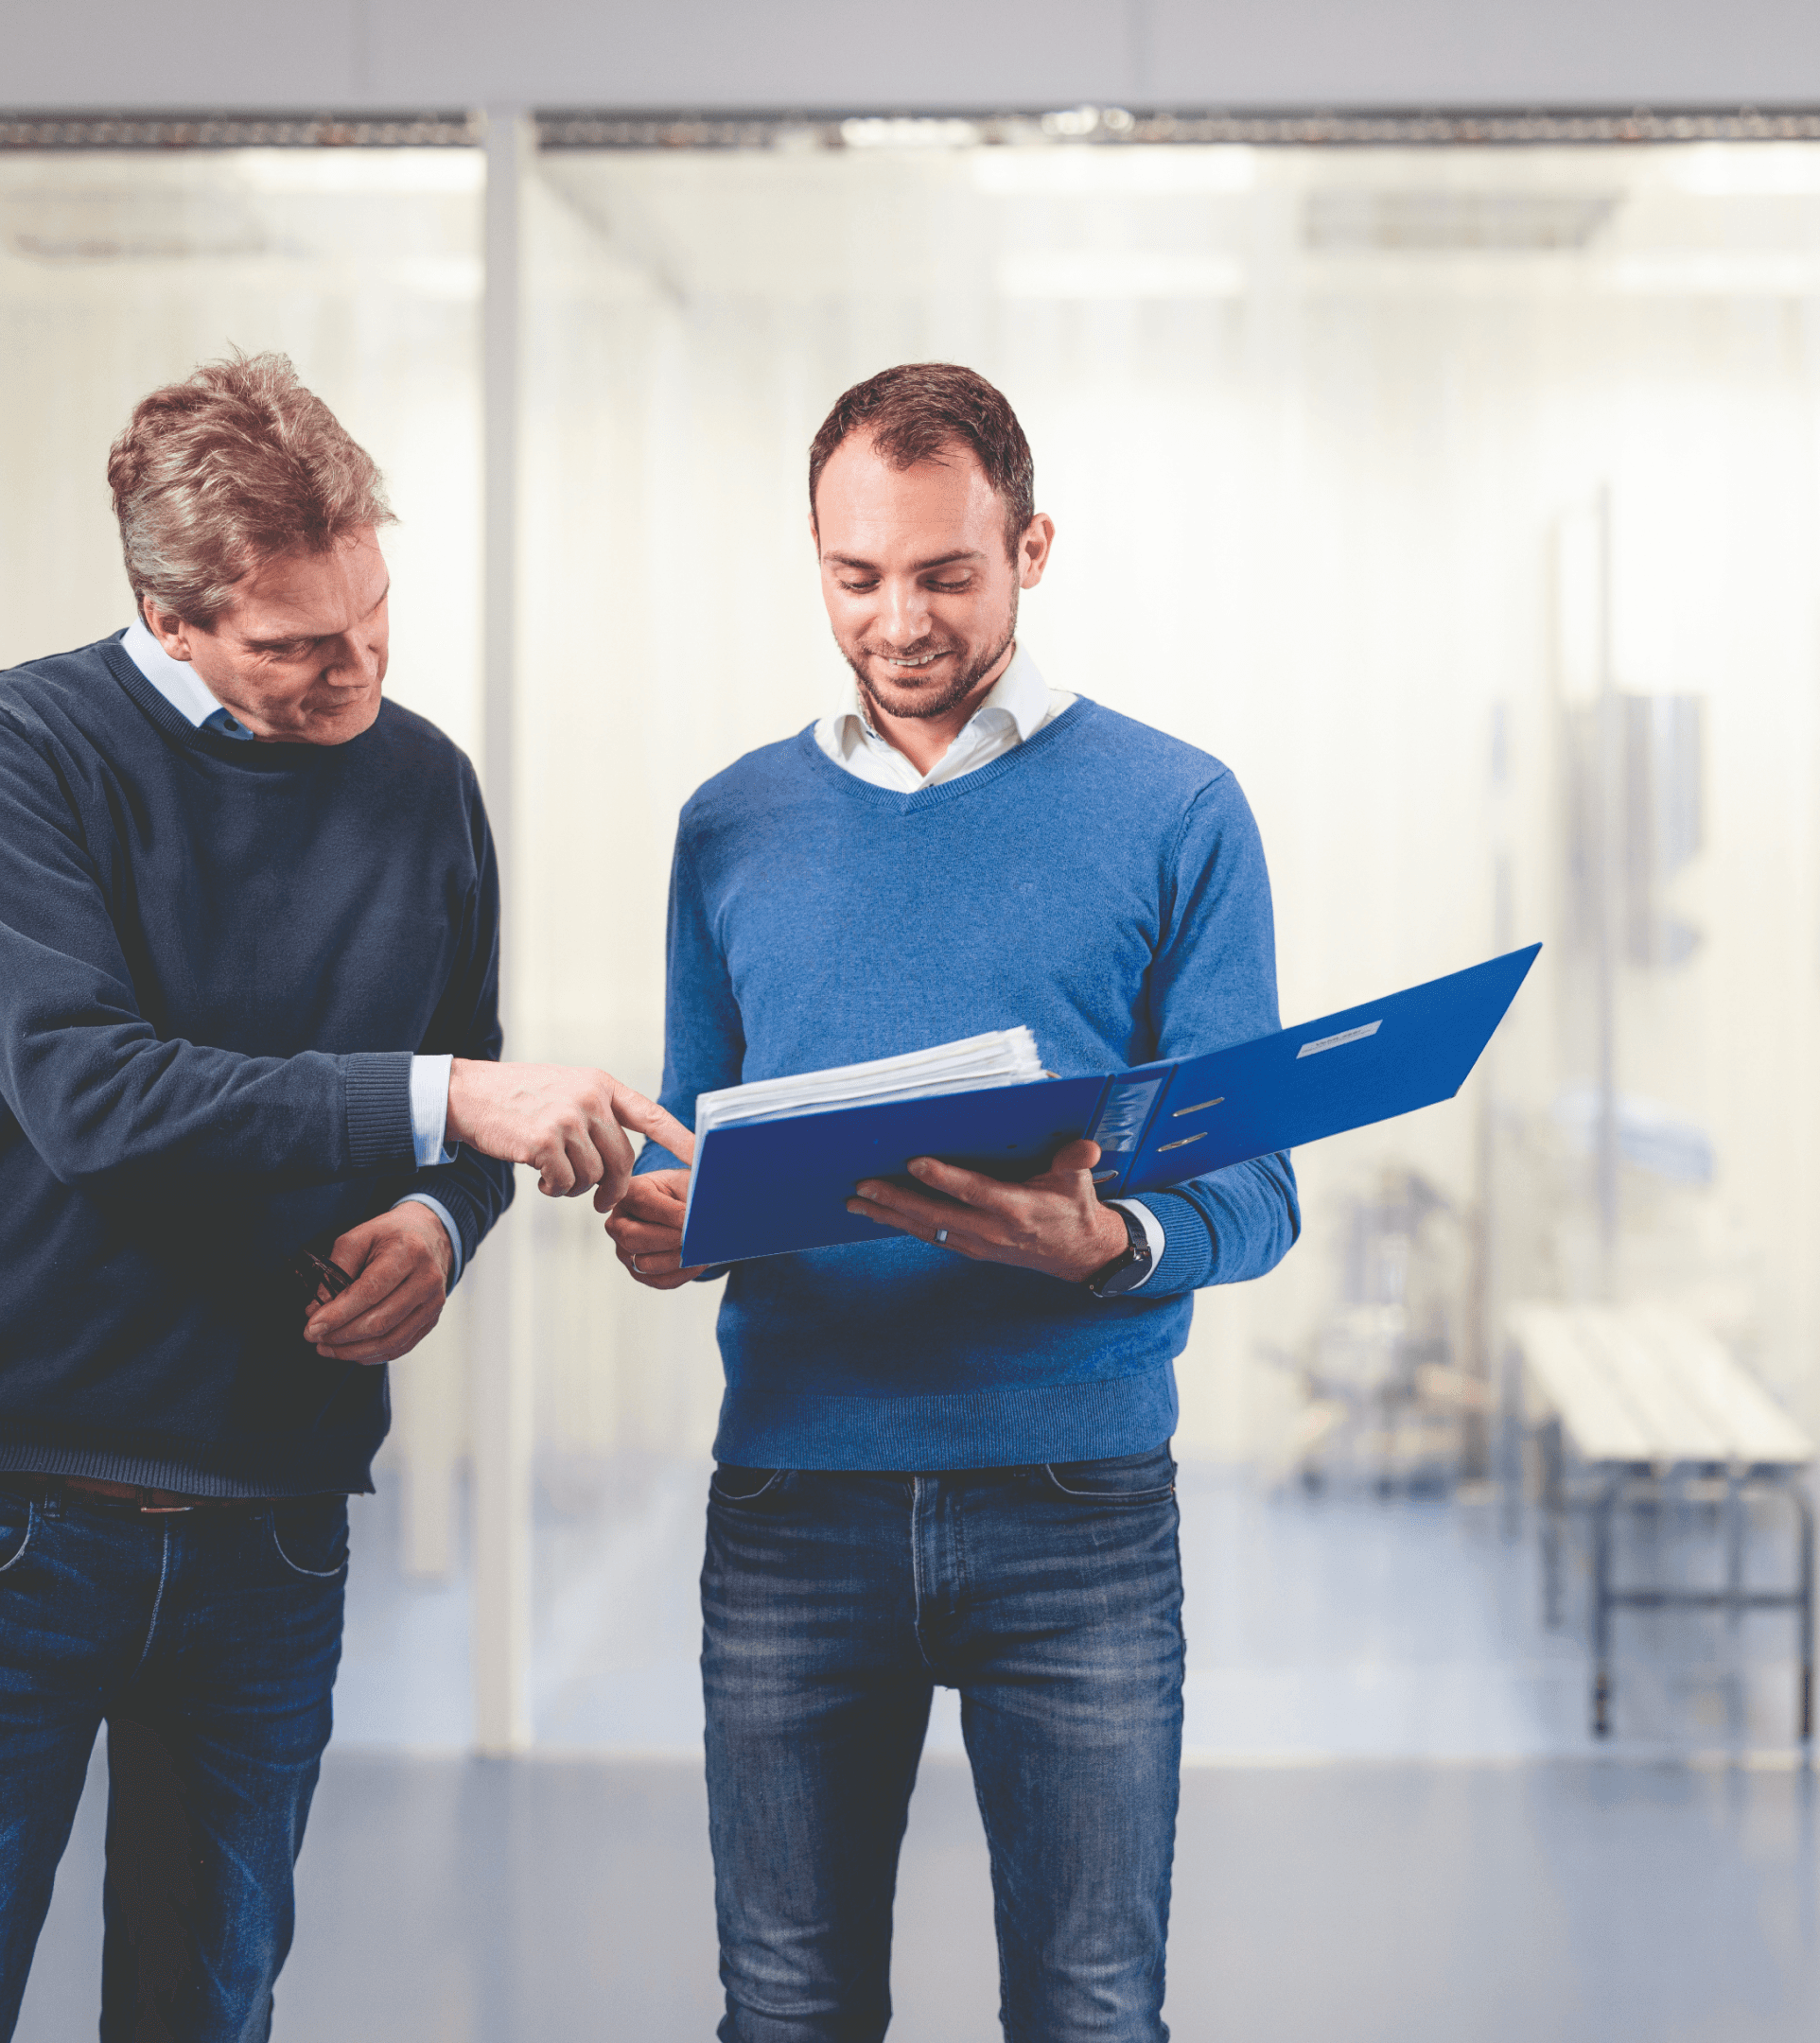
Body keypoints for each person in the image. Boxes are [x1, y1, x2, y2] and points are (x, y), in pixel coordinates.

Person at [605, 362, 1301, 2042]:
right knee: (786, 2005)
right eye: (856, 578)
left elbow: (1256, 1193)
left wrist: (1108, 1243)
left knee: (1086, 2007)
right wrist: (659, 1214)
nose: (897, 618)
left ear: (1032, 547)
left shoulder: (1179, 810)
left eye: (945, 573)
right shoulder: (730, 823)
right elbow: (702, 1141)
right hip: (792, 1500)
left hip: (1073, 1503)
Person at [0, 351, 685, 2042]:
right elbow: (94, 1092)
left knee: (207, 2006)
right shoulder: (33, 754)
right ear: (167, 618)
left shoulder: (422, 784)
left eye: (375, 615)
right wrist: (451, 1100)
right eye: (297, 646)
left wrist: (446, 1220)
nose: (356, 670)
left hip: (277, 1530)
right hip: (31, 1515)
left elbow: (471, 1082)